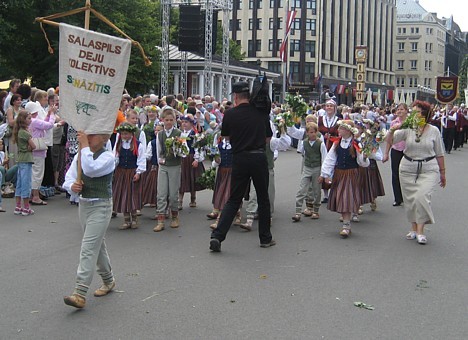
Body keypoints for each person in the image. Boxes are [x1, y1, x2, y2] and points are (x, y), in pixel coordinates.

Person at [209, 81, 274, 252]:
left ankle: (217, 236)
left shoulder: (230, 114)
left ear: (236, 97)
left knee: (234, 199)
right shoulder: (261, 112)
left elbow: (227, 137)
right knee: (263, 198)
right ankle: (265, 238)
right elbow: (268, 139)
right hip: (259, 156)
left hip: (239, 158)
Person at [62, 131, 116, 309]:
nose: (88, 137)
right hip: (84, 206)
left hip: (101, 206)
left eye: (93, 135)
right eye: (88, 135)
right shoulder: (81, 154)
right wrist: (72, 186)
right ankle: (109, 281)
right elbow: (68, 178)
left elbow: (91, 169)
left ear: (104, 139)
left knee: (88, 247)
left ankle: (80, 292)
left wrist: (83, 145)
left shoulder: (108, 157)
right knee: (97, 246)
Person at [388, 100, 446, 245]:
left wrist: (443, 173)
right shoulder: (408, 128)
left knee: (422, 197)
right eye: (412, 112)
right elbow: (390, 141)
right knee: (411, 201)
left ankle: (421, 231)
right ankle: (413, 228)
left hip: (428, 168)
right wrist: (392, 130)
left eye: (417, 112)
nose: (413, 115)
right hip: (408, 168)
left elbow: (439, 153)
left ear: (425, 114)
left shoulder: (434, 130)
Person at [318, 120, 369, 238]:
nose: (338, 130)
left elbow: (362, 162)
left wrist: (365, 157)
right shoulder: (337, 143)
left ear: (347, 131)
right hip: (339, 173)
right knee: (341, 197)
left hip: (351, 174)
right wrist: (324, 174)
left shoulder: (356, 144)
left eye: (341, 128)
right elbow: (330, 159)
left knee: (347, 197)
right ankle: (347, 223)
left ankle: (346, 226)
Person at [154, 107, 184, 232]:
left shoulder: (178, 133)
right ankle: (160, 220)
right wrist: (159, 162)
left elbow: (184, 151)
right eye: (166, 120)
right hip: (163, 166)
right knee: (161, 194)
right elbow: (159, 151)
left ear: (174, 120)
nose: (169, 122)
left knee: (173, 194)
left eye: (171, 120)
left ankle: (175, 217)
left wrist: (177, 149)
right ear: (163, 120)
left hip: (175, 165)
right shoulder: (160, 134)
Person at [112, 122, 146, 229]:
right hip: (121, 172)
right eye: (123, 134)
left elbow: (141, 159)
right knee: (123, 195)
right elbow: (115, 157)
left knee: (132, 195)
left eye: (126, 134)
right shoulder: (119, 144)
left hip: (132, 172)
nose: (125, 136)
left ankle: (135, 219)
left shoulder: (137, 144)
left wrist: (138, 172)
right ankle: (126, 220)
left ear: (131, 134)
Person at [291, 122, 327, 222]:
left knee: (316, 190)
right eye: (310, 132)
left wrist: (323, 174)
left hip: (317, 168)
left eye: (314, 132)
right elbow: (303, 152)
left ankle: (316, 210)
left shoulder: (320, 143)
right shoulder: (304, 143)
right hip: (307, 167)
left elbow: (324, 158)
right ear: (307, 133)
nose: (312, 134)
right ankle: (298, 211)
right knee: (302, 189)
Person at [383, 103, 408, 206]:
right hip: (396, 149)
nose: (399, 111)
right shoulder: (394, 123)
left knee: (407, 174)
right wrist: (386, 153)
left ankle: (407, 196)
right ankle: (397, 198)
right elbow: (389, 140)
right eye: (398, 110)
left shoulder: (410, 122)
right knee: (395, 174)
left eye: (402, 109)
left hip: (408, 150)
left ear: (406, 111)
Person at [12, 110, 36, 216]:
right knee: (26, 183)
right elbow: (33, 146)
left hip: (21, 158)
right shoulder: (26, 133)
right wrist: (30, 147)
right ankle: (26, 207)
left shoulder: (19, 132)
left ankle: (18, 206)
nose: (30, 120)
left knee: (20, 184)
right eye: (29, 118)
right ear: (24, 120)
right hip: (26, 159)